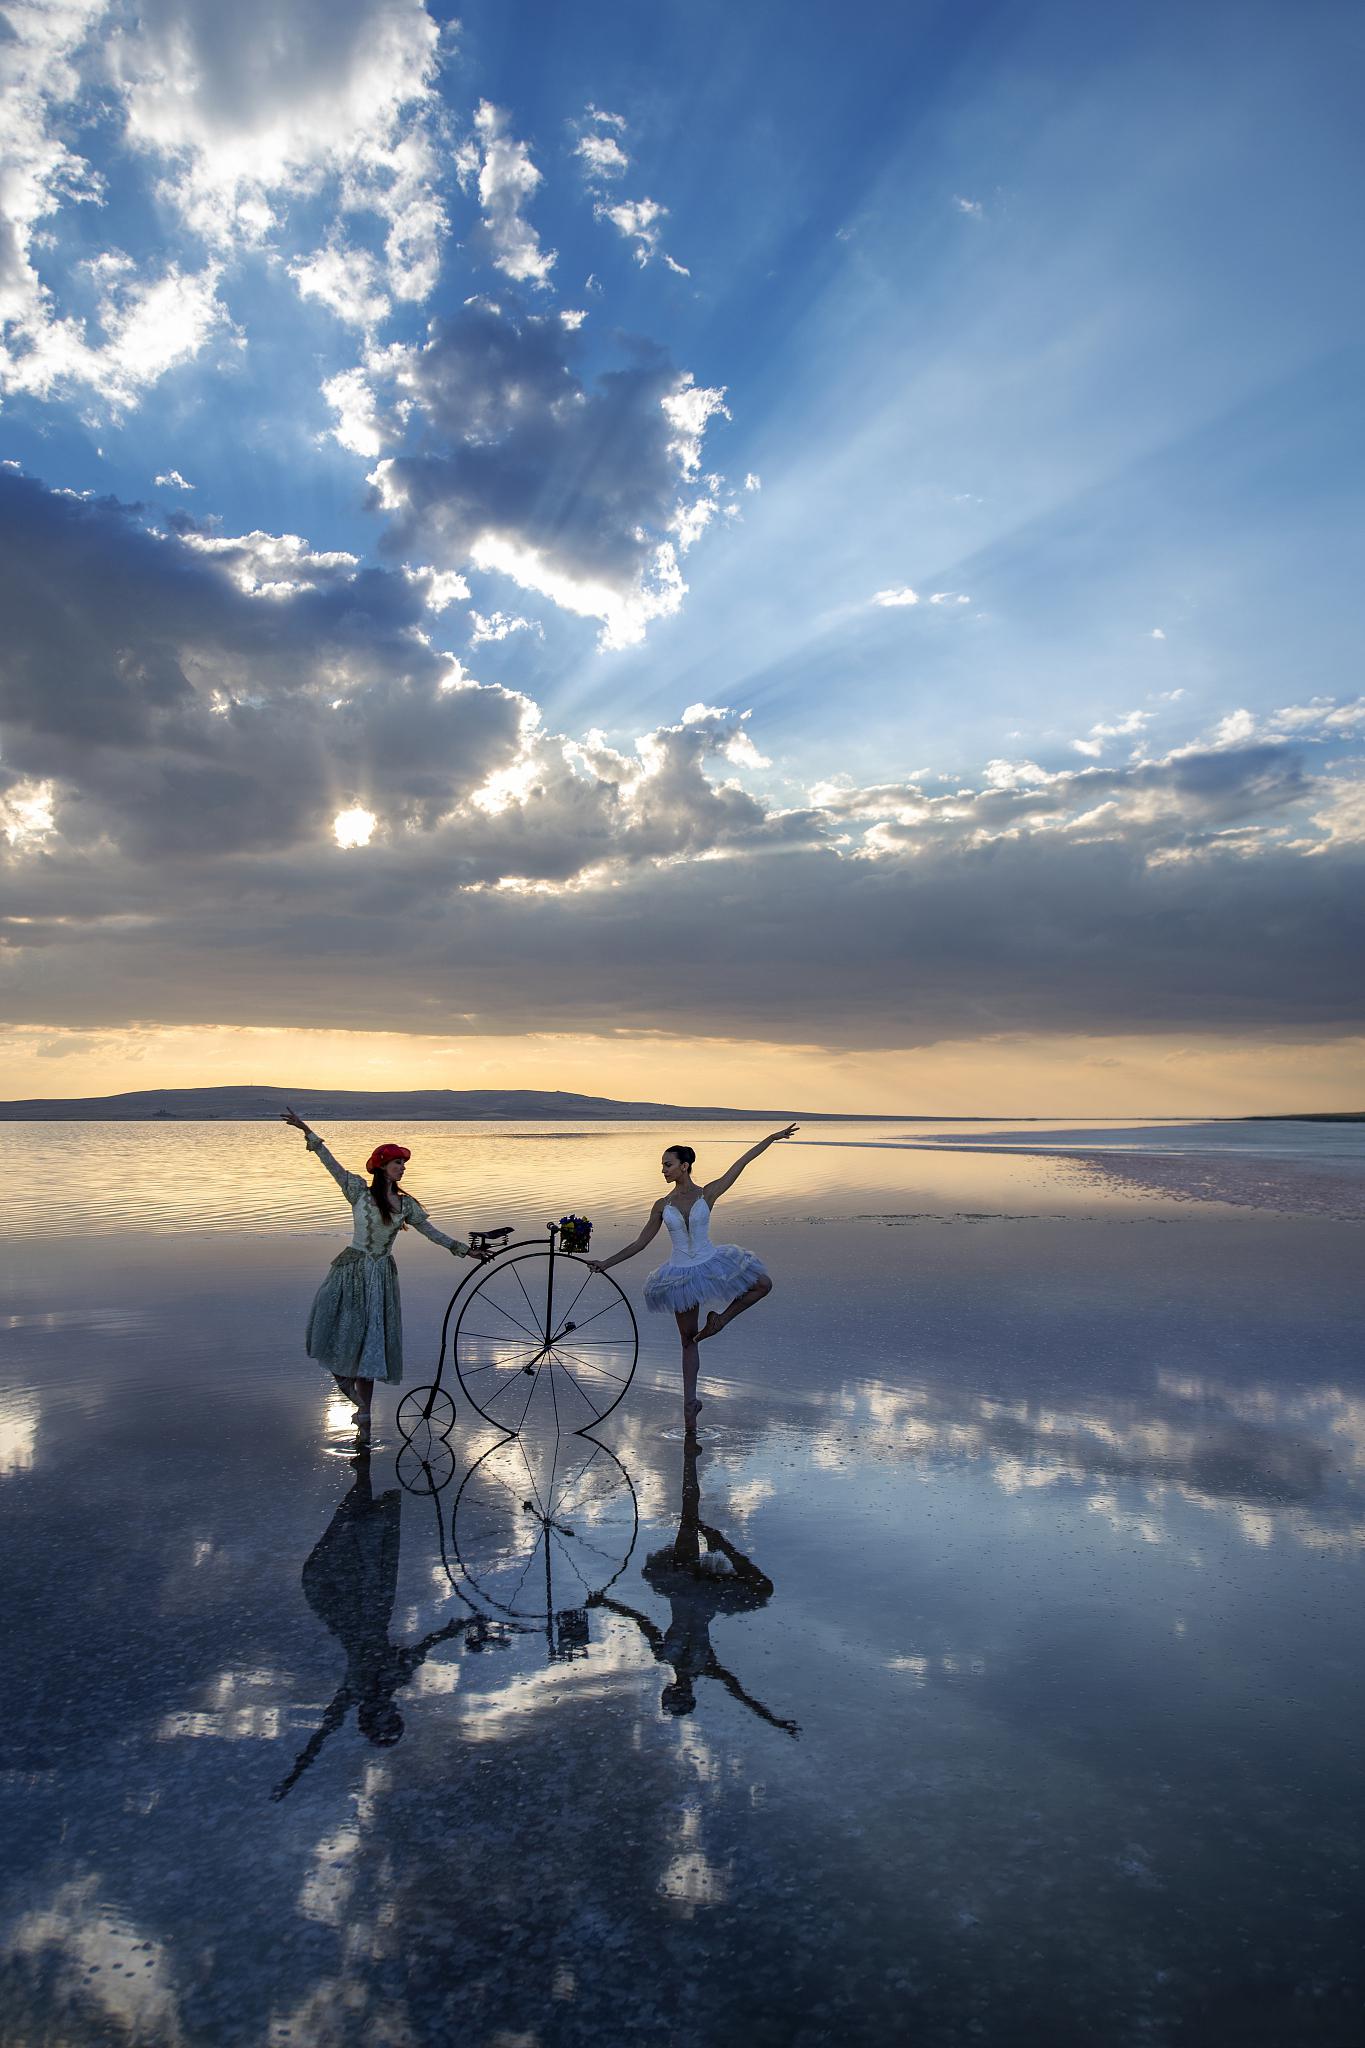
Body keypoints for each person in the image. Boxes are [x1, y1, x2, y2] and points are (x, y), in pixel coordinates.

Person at [281, 1107, 487, 1438]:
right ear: (382, 1166)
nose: (403, 1169)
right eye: (397, 1164)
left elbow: (432, 1232)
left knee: (372, 1342)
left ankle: (364, 1415)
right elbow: (329, 1163)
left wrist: (464, 1250)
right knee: (338, 1332)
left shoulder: (406, 1205)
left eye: (404, 1164)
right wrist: (307, 1131)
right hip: (351, 1271)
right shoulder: (358, 1192)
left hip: (380, 1277)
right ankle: (352, 1394)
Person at [589, 1126, 796, 1426]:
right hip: (680, 1276)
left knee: (763, 1284)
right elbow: (640, 1242)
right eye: (662, 1165)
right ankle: (689, 1404)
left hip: (711, 1261)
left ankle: (720, 1320)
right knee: (688, 1342)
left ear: (684, 1166)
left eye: (667, 1164)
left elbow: (741, 1163)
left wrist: (771, 1139)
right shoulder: (661, 1205)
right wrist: (606, 1263)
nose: (663, 1170)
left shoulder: (707, 1193)